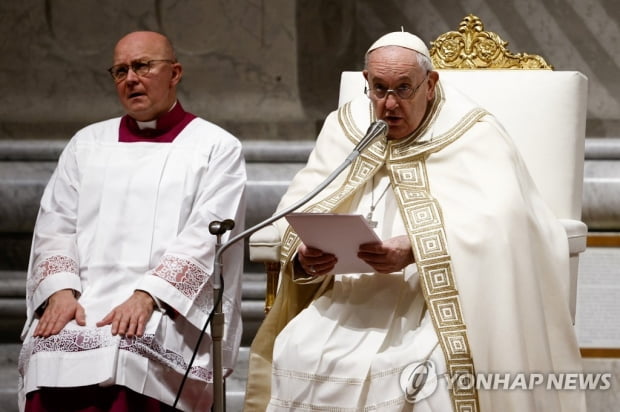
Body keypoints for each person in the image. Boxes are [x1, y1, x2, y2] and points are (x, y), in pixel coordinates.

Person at [243, 31, 586, 411]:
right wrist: (306, 259)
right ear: (366, 84)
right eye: (379, 89)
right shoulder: (347, 127)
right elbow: (301, 204)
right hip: (350, 297)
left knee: (428, 373)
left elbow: (506, 220)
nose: (389, 104)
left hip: (438, 302)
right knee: (299, 350)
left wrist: (414, 249)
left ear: (431, 84)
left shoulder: (472, 132)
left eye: (403, 89)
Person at [18, 31, 247, 411]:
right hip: (84, 299)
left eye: (142, 66)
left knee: (129, 351)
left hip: (164, 305)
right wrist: (60, 290)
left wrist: (148, 296)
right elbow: (55, 224)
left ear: (174, 73)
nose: (131, 79)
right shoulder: (87, 144)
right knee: (46, 350)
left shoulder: (215, 147)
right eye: (120, 70)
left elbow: (207, 235)